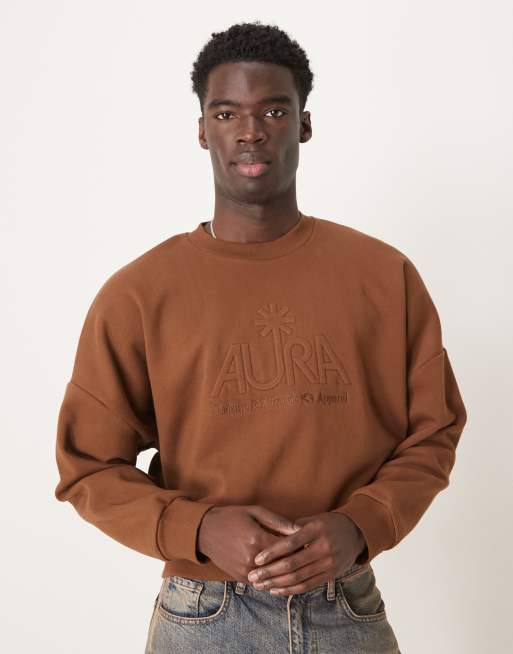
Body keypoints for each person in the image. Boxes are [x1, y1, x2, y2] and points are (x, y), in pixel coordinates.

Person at [54, 21, 467, 654]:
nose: (250, 131)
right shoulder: (139, 294)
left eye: (274, 110)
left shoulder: (384, 276)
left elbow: (435, 429)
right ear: (202, 130)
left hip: (346, 607)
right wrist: (198, 529)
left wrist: (361, 523)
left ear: (304, 124)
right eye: (226, 113)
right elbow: (87, 466)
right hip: (203, 613)